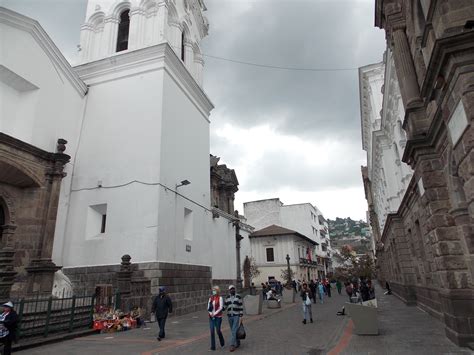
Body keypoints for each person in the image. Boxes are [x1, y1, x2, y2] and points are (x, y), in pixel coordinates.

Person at [224, 285, 243, 352]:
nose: (232, 290)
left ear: (235, 289)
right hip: (229, 316)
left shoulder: (238, 296)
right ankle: (238, 342)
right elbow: (225, 306)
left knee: (234, 330)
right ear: (229, 290)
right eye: (231, 289)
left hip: (236, 315)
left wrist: (241, 315)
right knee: (233, 330)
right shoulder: (227, 297)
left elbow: (241, 306)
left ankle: (232, 345)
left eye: (233, 289)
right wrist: (221, 308)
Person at [208, 286, 225, 351]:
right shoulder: (210, 298)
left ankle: (222, 341)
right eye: (213, 290)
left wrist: (214, 314)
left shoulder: (220, 298)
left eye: (214, 290)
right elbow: (208, 307)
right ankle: (213, 347)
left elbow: (220, 307)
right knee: (212, 331)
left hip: (218, 317)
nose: (213, 291)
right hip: (211, 317)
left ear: (217, 291)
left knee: (218, 331)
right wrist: (210, 313)